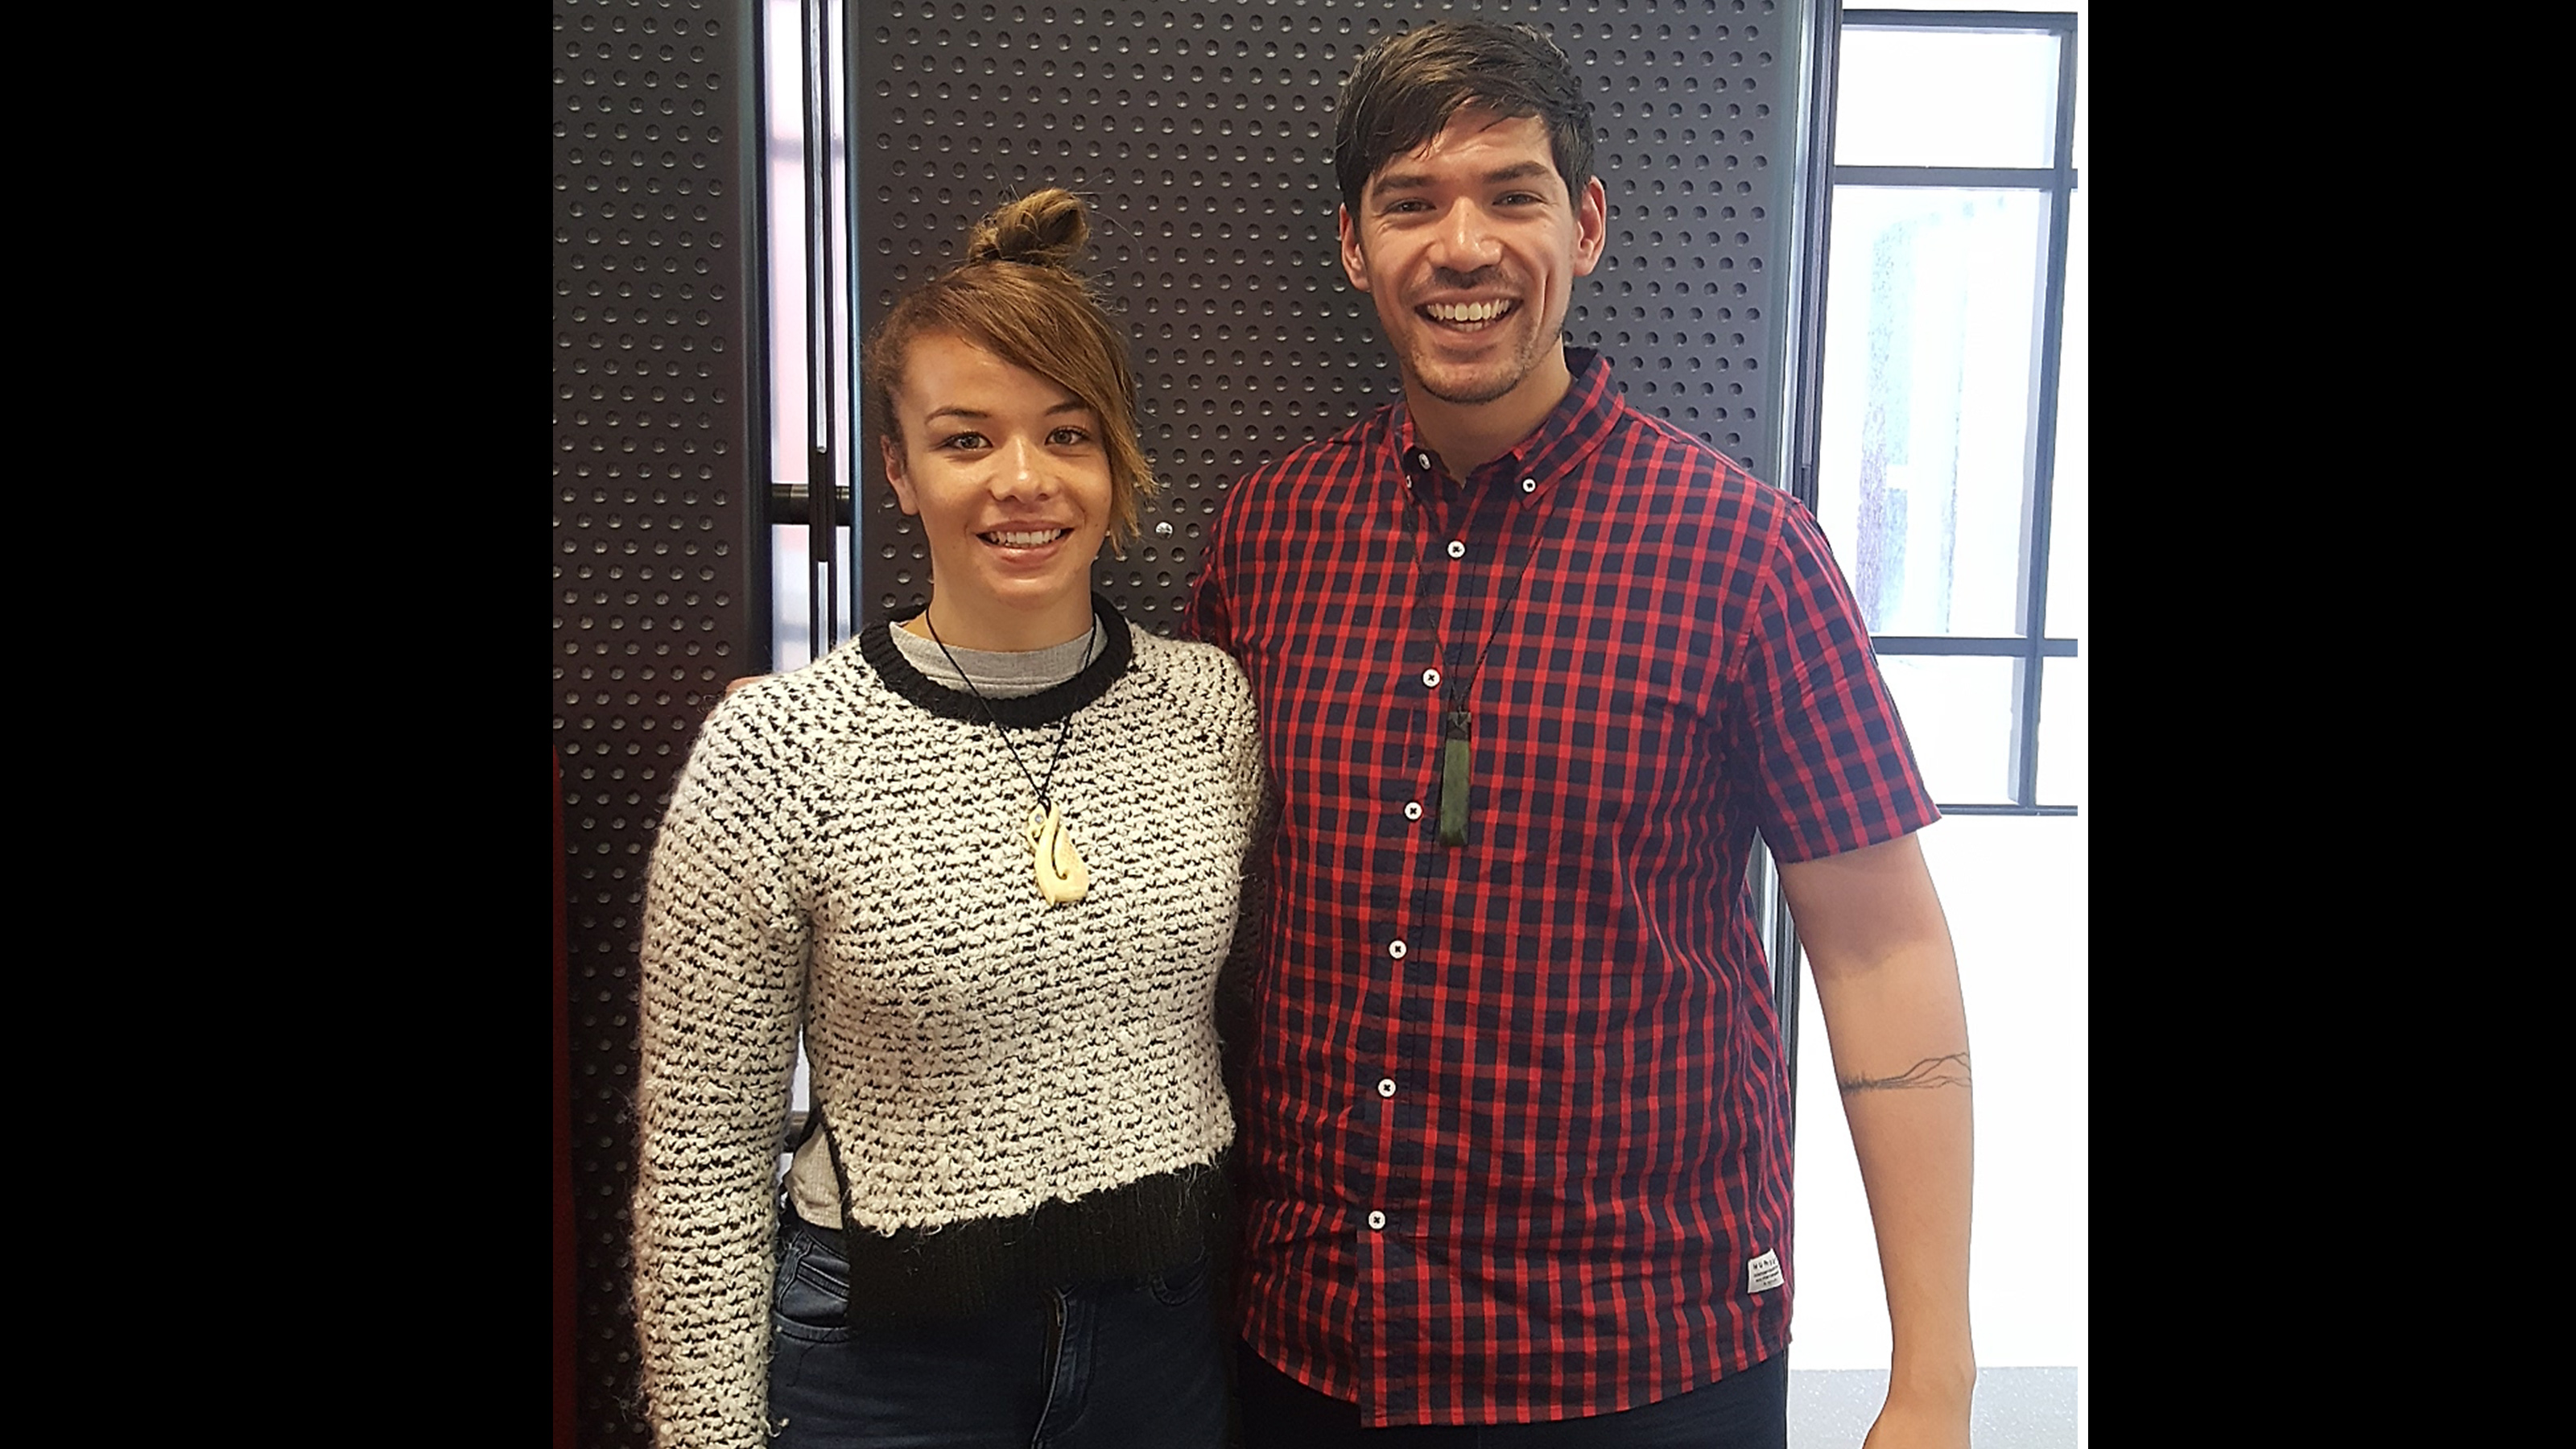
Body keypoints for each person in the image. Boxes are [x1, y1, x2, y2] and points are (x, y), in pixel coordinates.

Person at [1180, 21, 1975, 1449]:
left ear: (1587, 222)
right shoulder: (1270, 533)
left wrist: (1935, 1379)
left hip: (1639, 1358)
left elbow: (1884, 953)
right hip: (1309, 1340)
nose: (1463, 245)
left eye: (1513, 193)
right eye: (1412, 204)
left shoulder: (1744, 554)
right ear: (1356, 248)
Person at [630, 188, 1265, 1449]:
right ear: (899, 471)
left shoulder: (1211, 707)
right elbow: (703, 1147)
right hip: (882, 1368)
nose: (1022, 482)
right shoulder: (776, 747)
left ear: (1115, 454)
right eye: (966, 440)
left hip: (1160, 1347)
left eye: (1066, 434)